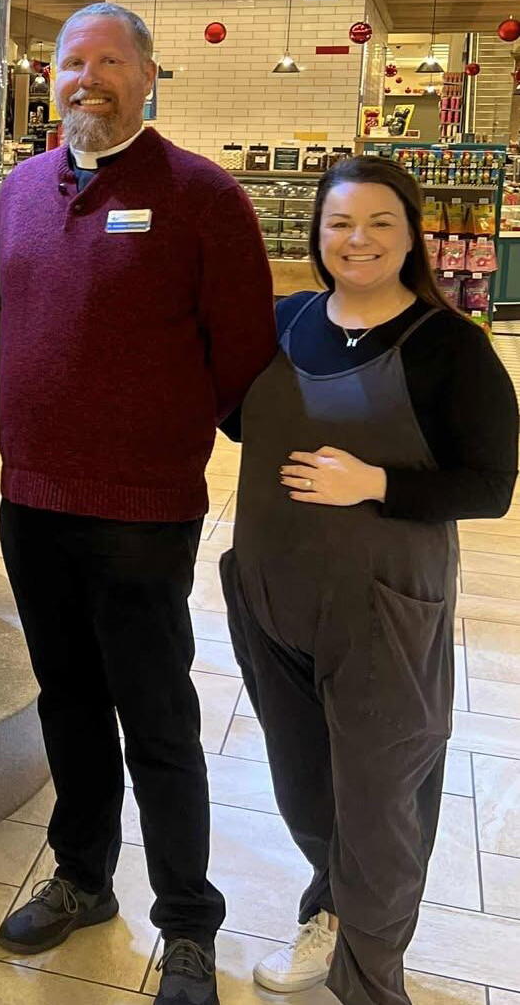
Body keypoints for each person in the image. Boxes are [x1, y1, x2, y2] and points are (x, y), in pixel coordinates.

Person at [0, 3, 276, 1005]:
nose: (88, 77)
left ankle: (188, 923)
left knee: (155, 713)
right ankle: (81, 875)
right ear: (53, 74)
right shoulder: (20, 191)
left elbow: (245, 360)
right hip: (30, 496)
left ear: (151, 76)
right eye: (74, 61)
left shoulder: (203, 196)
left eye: (112, 60)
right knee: (65, 699)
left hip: (143, 510)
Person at [219, 155, 518, 1005]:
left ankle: (370, 979)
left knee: (383, 798)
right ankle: (333, 911)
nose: (359, 239)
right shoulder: (285, 322)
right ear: (317, 233)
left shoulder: (449, 346)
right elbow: (231, 413)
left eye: (381, 223)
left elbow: (491, 485)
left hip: (383, 609)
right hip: (274, 597)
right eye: (341, 222)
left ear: (412, 235)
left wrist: (378, 483)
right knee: (304, 784)